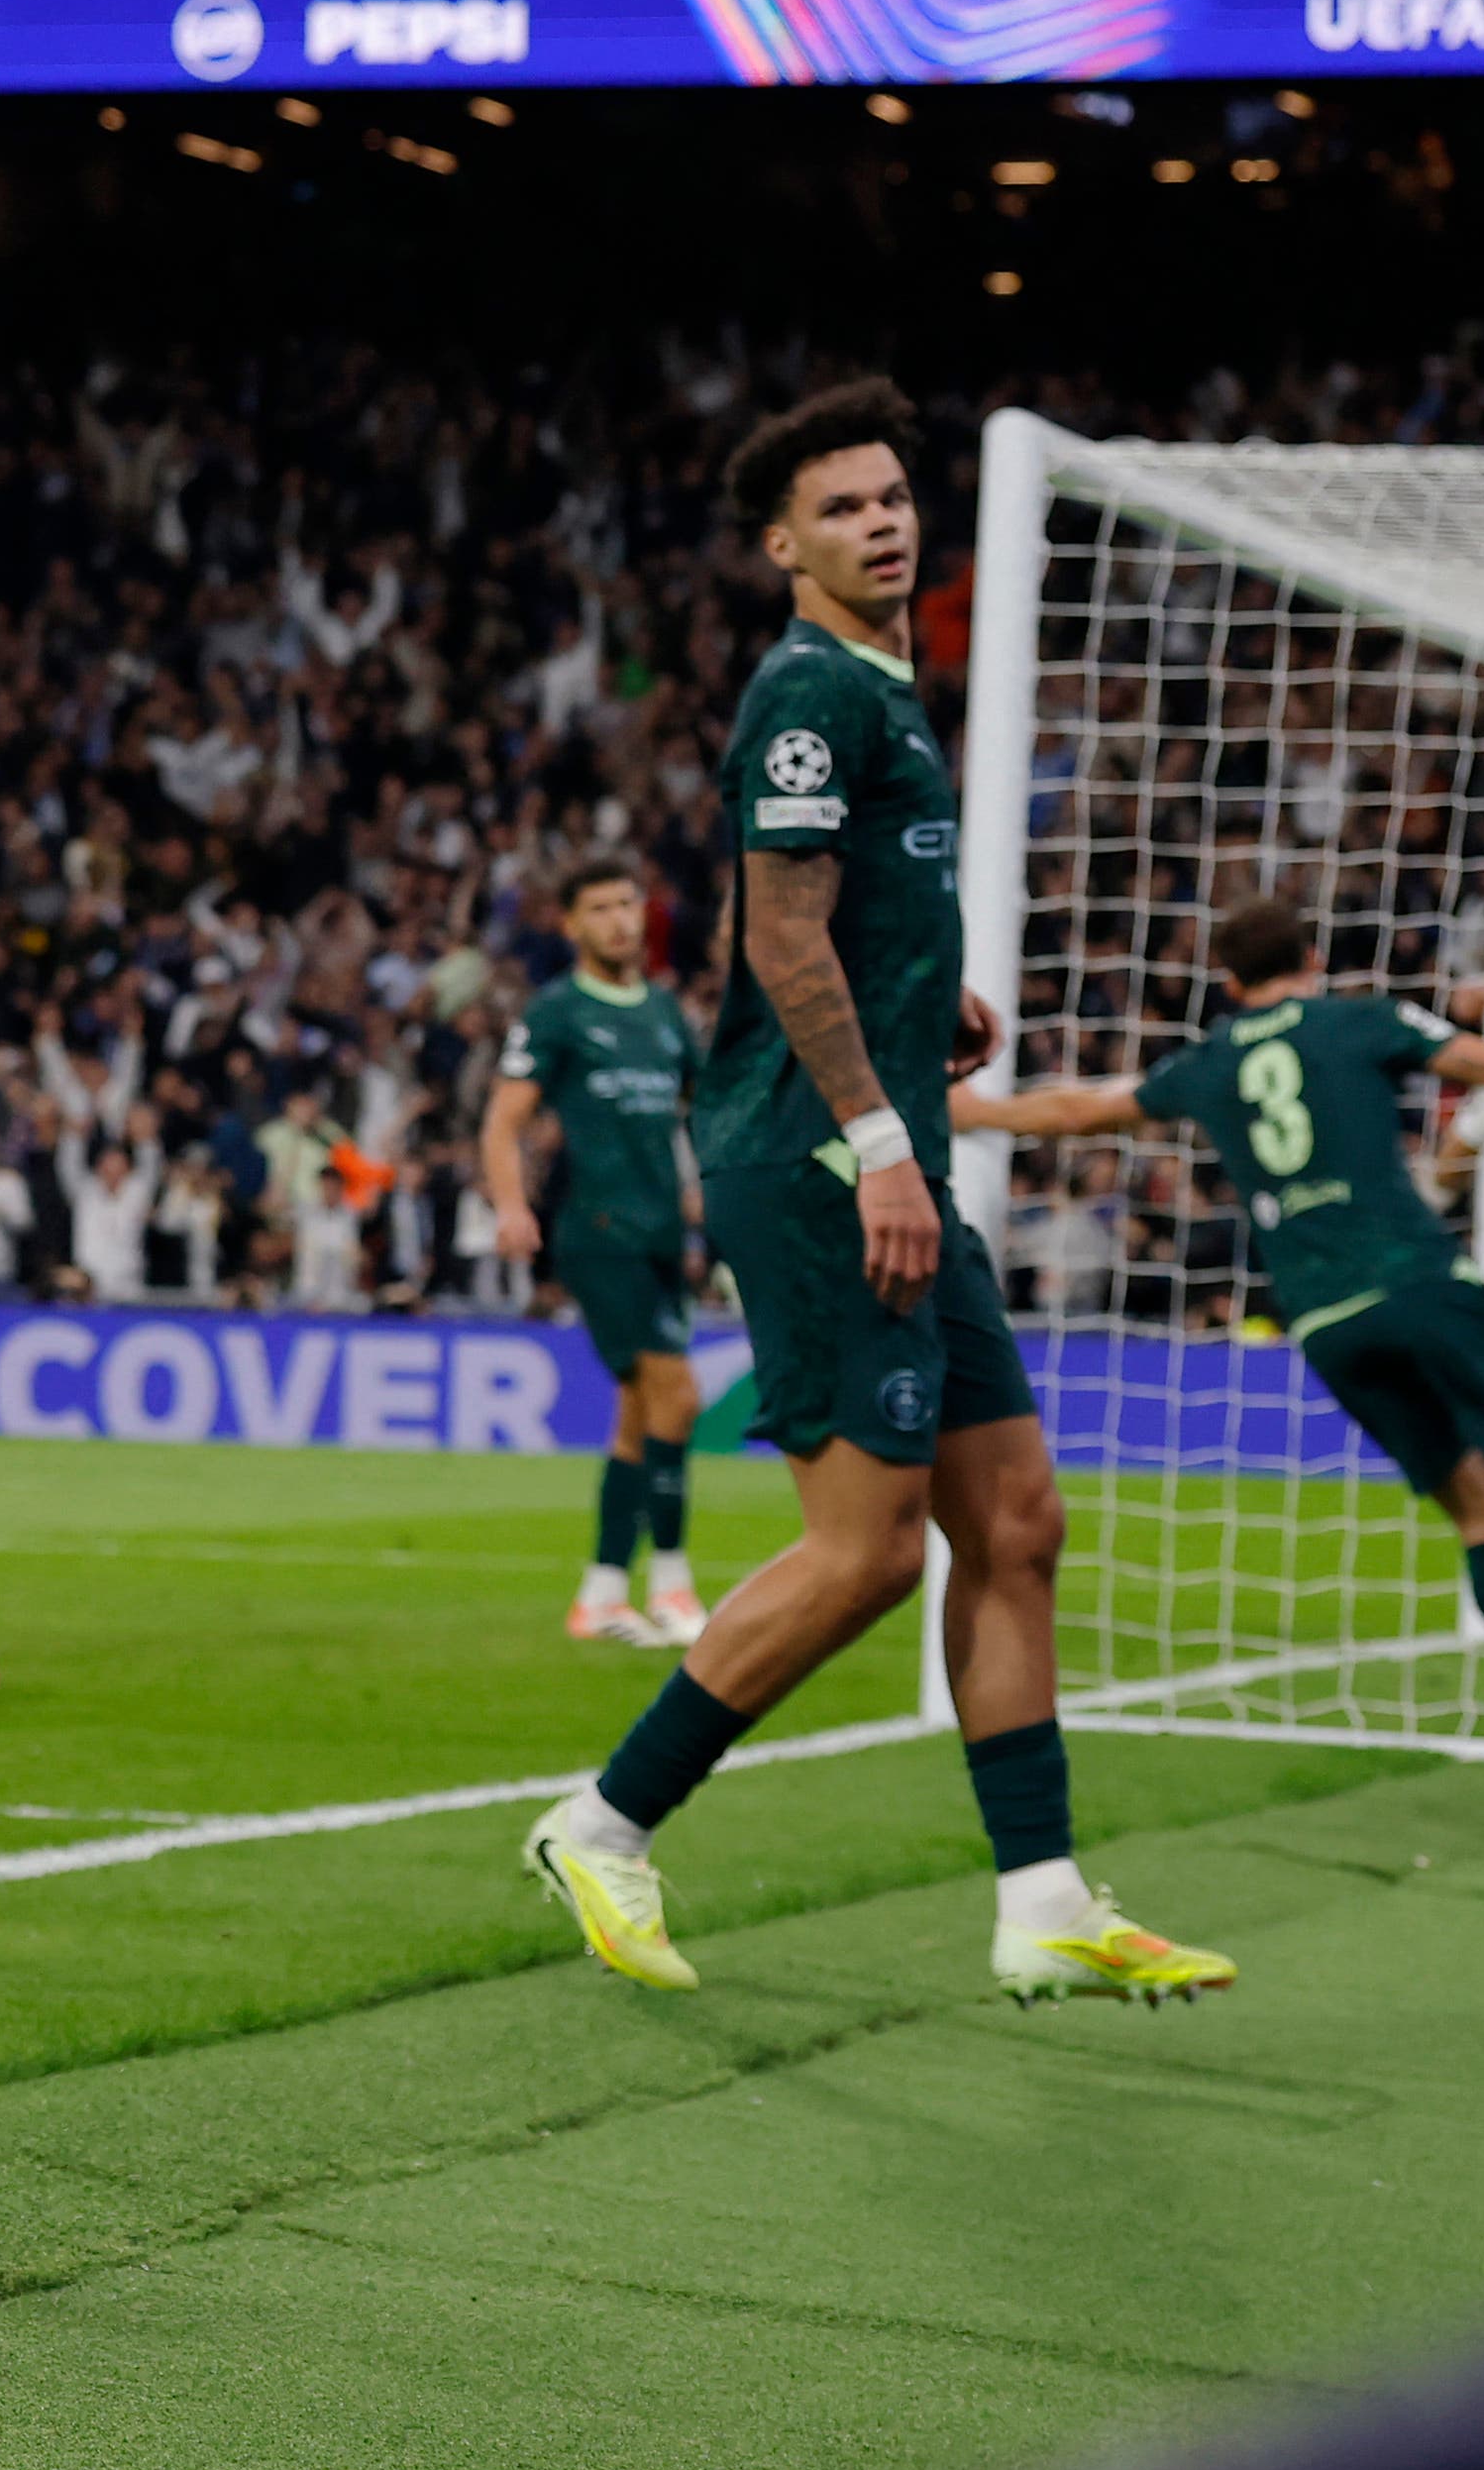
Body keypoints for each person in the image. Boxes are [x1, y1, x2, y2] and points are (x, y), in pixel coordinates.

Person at [525, 380, 1228, 2007]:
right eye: (841, 507)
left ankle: (1041, 1895)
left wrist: (925, 1008)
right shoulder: (805, 688)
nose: (881, 520)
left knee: (1017, 1523)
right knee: (867, 1553)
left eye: (892, 496)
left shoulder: (877, 686)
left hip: (875, 1130)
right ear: (781, 545)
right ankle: (602, 1819)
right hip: (830, 1166)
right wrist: (882, 1134)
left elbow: (762, 927)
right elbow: (774, 934)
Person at [960, 892, 1484, 1643]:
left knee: (1474, 1509)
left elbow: (1082, 1111)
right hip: (1416, 1279)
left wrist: (978, 1113)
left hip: (1320, 1318)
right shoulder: (1363, 1020)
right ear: (1312, 960)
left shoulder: (1210, 1058)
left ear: (1230, 985)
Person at [488, 860, 710, 1646]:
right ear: (570, 925)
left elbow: (699, 1106)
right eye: (601, 908)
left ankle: (602, 1593)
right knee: (676, 1398)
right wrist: (511, 1205)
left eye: (628, 905)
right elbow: (502, 1119)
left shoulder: (662, 1012)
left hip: (658, 1233)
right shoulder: (557, 1013)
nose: (619, 920)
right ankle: (673, 1586)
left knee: (637, 1415)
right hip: (597, 1231)